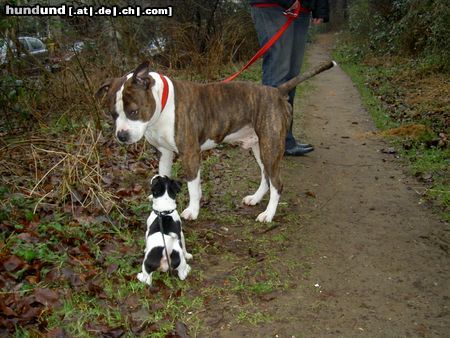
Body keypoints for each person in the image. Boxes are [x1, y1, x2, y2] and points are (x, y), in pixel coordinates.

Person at [250, 0, 330, 156]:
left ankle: (285, 140)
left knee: (291, 78)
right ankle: (271, 141)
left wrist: (321, 7)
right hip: (272, 6)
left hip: (302, 10)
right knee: (277, 74)